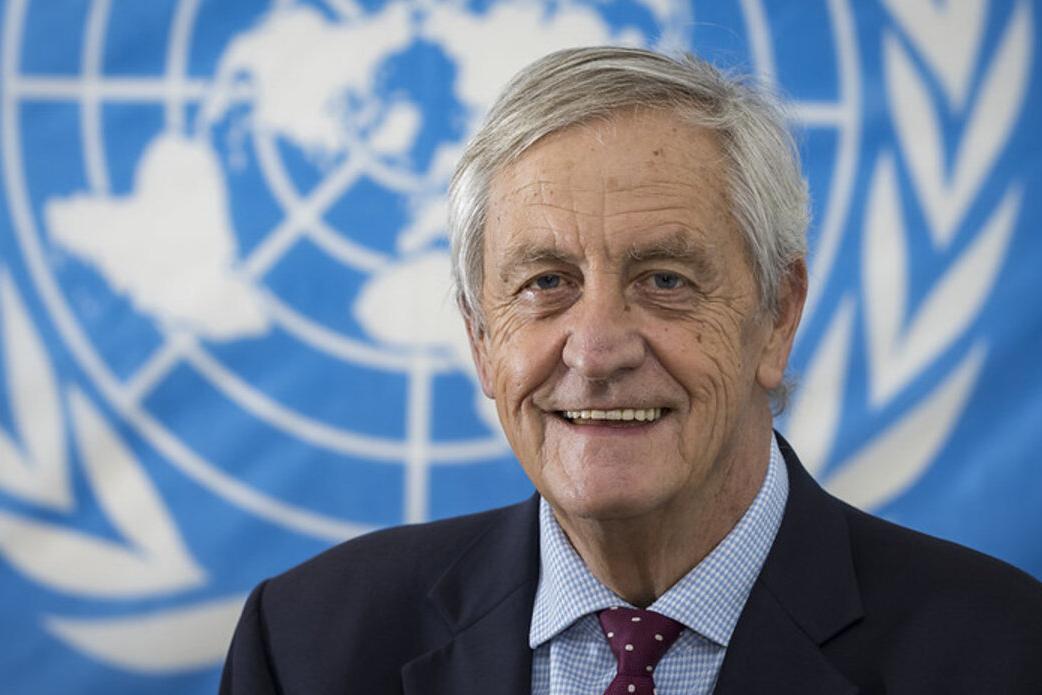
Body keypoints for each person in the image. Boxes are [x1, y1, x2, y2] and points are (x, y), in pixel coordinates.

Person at [220, 47, 1042, 695]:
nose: (597, 348)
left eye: (665, 280)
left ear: (777, 317)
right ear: (480, 338)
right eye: (546, 283)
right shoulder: (306, 646)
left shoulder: (1006, 653)